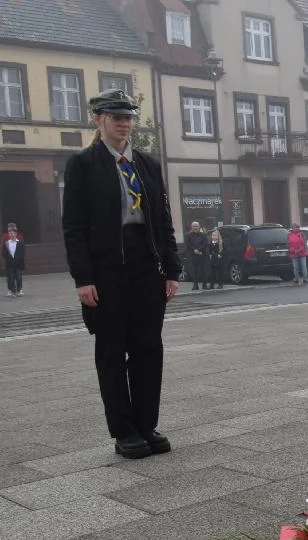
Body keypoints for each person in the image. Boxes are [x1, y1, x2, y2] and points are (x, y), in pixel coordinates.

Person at [61, 89, 182, 459]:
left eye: (128, 116)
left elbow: (162, 218)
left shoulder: (146, 162)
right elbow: (74, 225)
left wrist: (172, 269)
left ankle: (147, 424)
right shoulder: (83, 164)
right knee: (112, 351)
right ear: (98, 119)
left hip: (146, 263)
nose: (124, 123)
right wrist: (83, 278)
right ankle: (124, 431)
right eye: (115, 117)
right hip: (107, 268)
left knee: (149, 348)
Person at [2, 224, 26, 297]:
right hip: (10, 264)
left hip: (18, 264)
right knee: (11, 278)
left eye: (13, 233)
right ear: (8, 234)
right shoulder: (6, 243)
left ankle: (19, 290)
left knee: (19, 277)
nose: (11, 235)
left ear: (16, 234)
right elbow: (4, 253)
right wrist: (10, 260)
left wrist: (16, 260)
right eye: (10, 233)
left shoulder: (20, 243)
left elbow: (22, 254)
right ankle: (12, 291)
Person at [185, 221, 208, 290]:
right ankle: (195, 285)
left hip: (202, 255)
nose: (195, 227)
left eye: (196, 226)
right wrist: (194, 250)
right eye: (194, 226)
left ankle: (204, 285)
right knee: (194, 271)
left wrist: (199, 250)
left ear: (199, 227)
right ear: (192, 227)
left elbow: (205, 244)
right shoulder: (188, 235)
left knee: (203, 271)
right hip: (193, 255)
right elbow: (188, 245)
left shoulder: (204, 235)